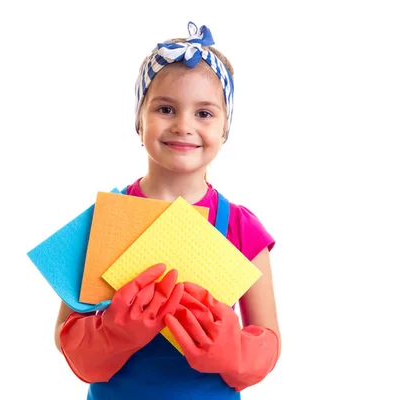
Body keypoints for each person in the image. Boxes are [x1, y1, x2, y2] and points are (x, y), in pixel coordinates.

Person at [54, 21, 281, 400]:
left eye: (204, 114)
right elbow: (68, 340)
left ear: (225, 130)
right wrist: (114, 333)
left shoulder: (242, 227)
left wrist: (232, 351)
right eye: (165, 108)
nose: (183, 126)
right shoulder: (104, 220)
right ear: (139, 121)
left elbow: (268, 341)